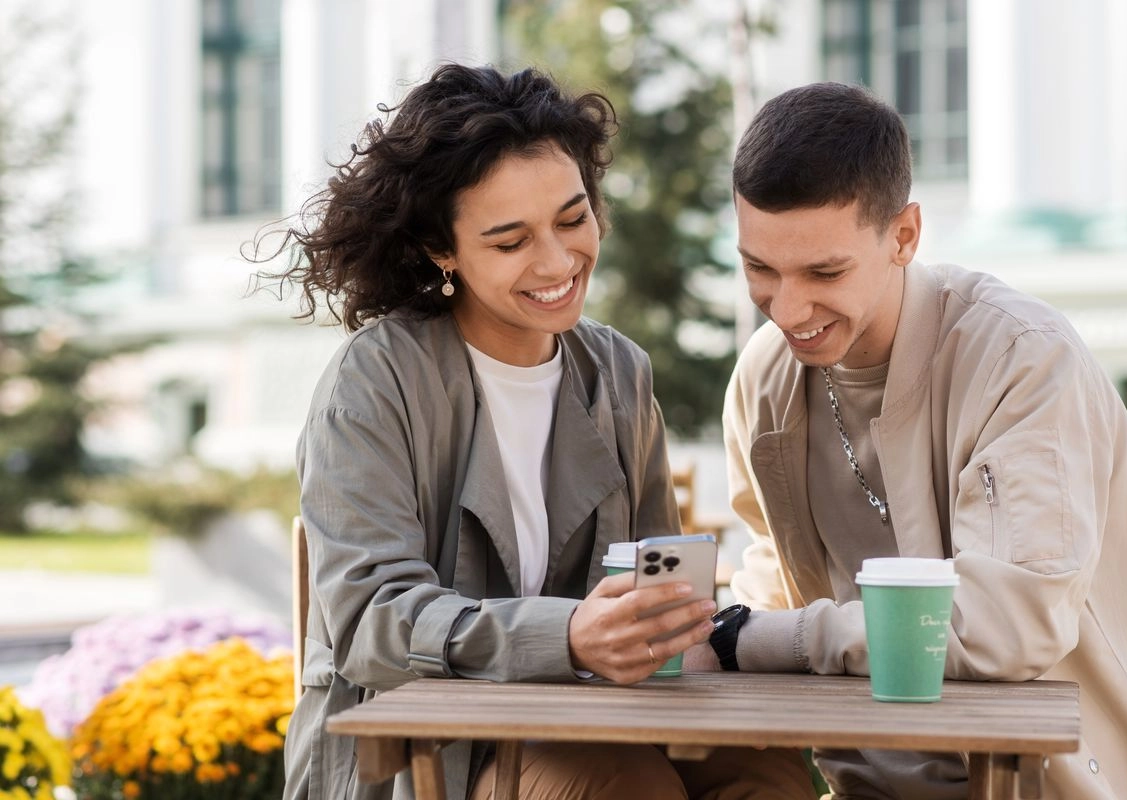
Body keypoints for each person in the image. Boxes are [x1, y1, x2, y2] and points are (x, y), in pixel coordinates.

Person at [259, 64, 817, 800]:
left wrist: (684, 634)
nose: (557, 262)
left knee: (769, 771)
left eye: (571, 218)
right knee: (625, 786)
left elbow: (660, 577)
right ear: (441, 249)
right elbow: (372, 621)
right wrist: (568, 637)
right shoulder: (377, 382)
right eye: (510, 239)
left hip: (596, 719)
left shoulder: (618, 371)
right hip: (433, 750)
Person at [698, 81, 1127, 799]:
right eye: (759, 269)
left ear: (904, 235)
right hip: (867, 783)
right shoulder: (766, 380)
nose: (788, 307)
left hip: (1054, 786)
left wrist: (758, 636)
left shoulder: (1021, 357)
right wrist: (706, 630)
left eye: (825, 271)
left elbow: (1005, 627)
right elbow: (775, 578)